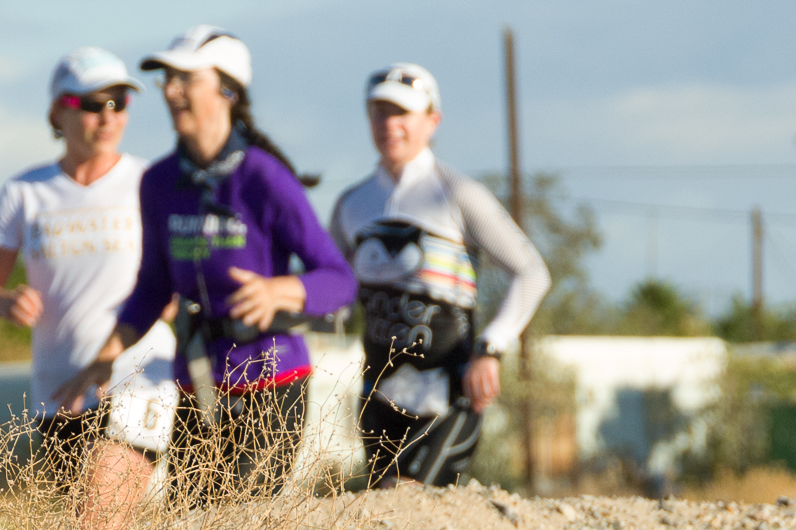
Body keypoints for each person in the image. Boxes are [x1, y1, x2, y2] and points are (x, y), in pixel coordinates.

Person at [55, 26, 354, 501]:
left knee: (233, 527)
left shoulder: (264, 177)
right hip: (197, 384)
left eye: (185, 79)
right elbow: (153, 287)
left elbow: (339, 279)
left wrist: (279, 291)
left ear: (227, 91)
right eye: (167, 79)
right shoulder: (158, 182)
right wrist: (104, 360)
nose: (170, 91)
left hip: (272, 382)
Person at [0, 47, 179, 511]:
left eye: (118, 103)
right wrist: (4, 301)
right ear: (59, 111)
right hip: (60, 392)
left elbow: (181, 279)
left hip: (138, 374)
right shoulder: (25, 192)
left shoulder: (152, 181)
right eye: (91, 104)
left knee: (96, 523)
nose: (107, 117)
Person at [329, 63, 551, 488]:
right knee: (383, 524)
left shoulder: (457, 193)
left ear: (433, 121)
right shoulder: (351, 204)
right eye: (379, 112)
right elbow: (325, 283)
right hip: (377, 395)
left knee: (410, 500)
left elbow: (531, 273)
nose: (389, 124)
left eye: (402, 114)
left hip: (448, 394)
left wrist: (491, 349)